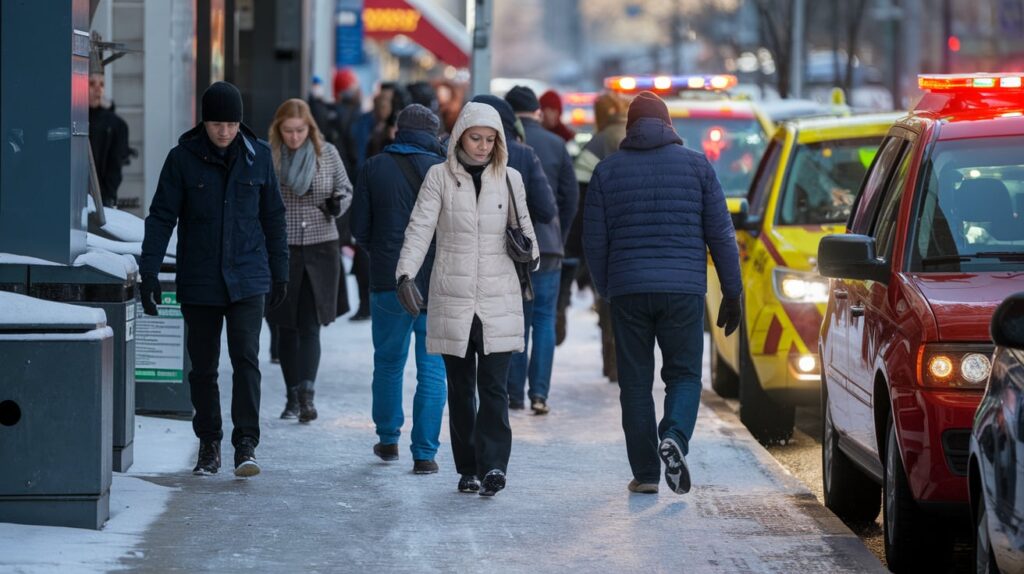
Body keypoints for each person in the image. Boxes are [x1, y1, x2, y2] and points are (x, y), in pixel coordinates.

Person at [582, 91, 742, 495]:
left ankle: (647, 474)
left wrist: (607, 289)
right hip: (683, 290)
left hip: (629, 290)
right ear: (668, 124)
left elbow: (594, 241)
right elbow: (721, 234)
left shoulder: (607, 171)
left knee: (634, 383)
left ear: (630, 127)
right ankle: (674, 437)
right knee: (684, 375)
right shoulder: (698, 166)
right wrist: (732, 291)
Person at [140, 81, 288, 478]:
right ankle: (209, 442)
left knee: (245, 359)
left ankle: (245, 444)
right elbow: (161, 217)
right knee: (203, 367)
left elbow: (273, 217)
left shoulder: (257, 158)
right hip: (201, 278)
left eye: (232, 123)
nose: (225, 131)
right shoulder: (182, 160)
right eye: (217, 123)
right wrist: (149, 269)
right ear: (204, 121)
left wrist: (281, 270)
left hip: (248, 276)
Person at [395, 102, 539, 496]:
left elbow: (528, 234)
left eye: (490, 140)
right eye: (476, 138)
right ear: (459, 136)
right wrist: (405, 273)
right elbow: (420, 228)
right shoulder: (438, 178)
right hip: (454, 297)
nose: (482, 146)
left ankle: (495, 466)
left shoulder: (510, 179)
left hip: (498, 298)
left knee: (494, 387)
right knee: (461, 389)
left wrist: (528, 251)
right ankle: (469, 467)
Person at [351, 104, 447, 473]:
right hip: (437, 281)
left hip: (390, 280)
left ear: (397, 131)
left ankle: (388, 438)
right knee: (433, 368)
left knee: (389, 363)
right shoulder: (445, 172)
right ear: (434, 134)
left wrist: (384, 254)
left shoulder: (374, 167)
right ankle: (425, 453)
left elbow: (359, 228)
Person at [265, 98, 352, 423]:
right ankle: (291, 396)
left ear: (309, 128)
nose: (294, 137)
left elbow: (345, 188)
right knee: (285, 326)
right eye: (288, 131)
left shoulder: (325, 153)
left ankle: (308, 395)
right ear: (279, 129)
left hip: (320, 247)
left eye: (300, 130)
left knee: (310, 324)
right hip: (283, 247)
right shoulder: (269, 155)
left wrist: (336, 205)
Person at [503, 86, 578, 414]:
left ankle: (515, 394)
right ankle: (540, 394)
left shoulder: (500, 143)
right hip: (549, 246)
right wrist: (558, 231)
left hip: (512, 245)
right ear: (536, 110)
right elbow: (570, 196)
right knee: (545, 318)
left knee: (518, 317)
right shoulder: (556, 144)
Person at [568, 92, 629, 380]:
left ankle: (613, 361)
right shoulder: (637, 138)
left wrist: (581, 249)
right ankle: (629, 363)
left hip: (606, 238)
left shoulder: (596, 143)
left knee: (607, 301)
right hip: (633, 238)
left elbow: (579, 201)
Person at [88, 65, 132, 208]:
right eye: (91, 83)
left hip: (101, 199)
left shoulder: (116, 125)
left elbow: (115, 166)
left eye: (102, 84)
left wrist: (108, 197)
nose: (98, 89)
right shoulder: (71, 120)